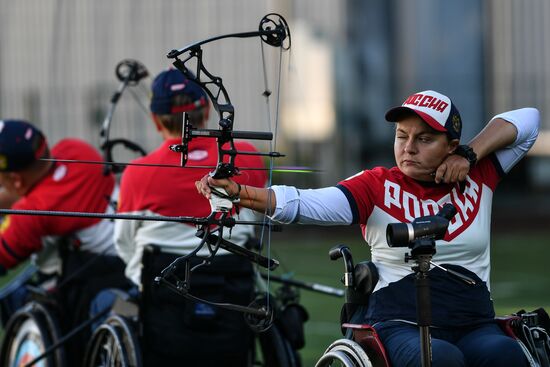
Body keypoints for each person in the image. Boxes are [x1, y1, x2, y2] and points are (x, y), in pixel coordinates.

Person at [197, 90, 540, 367]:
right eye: (402, 136)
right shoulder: (375, 185)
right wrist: (239, 193)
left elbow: (528, 121)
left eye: (425, 139)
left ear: (450, 145)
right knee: (440, 358)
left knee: (505, 355)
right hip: (400, 324)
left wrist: (470, 155)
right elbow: (302, 203)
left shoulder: (479, 175)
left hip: (473, 323)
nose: (408, 148)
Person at [113, 68, 267, 366]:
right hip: (233, 293)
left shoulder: (138, 173)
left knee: (110, 303)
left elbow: (124, 245)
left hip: (160, 301)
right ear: (208, 110)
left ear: (156, 119)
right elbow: (259, 222)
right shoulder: (246, 156)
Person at [0, 119, 129, 362]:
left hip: (107, 273)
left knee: (15, 297)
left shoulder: (33, 213)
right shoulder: (74, 150)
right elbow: (33, 189)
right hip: (126, 254)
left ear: (16, 180)